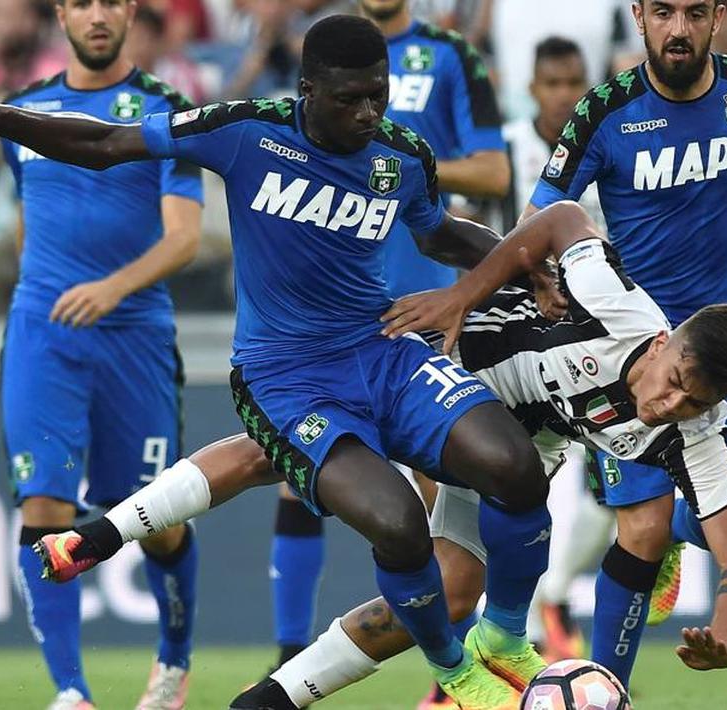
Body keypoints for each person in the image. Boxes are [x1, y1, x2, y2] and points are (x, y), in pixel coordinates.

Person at [0, 15, 554, 710]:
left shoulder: (399, 155)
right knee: (399, 524)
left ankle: (504, 635)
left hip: (380, 351)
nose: (370, 113)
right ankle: (456, 672)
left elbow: (438, 233)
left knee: (515, 468)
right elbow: (106, 142)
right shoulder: (245, 129)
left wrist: (522, 265)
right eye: (351, 99)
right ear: (307, 90)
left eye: (378, 95)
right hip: (285, 378)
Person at [21, 201, 727, 710]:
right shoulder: (621, 308)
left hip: (509, 456)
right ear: (664, 344)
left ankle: (274, 696)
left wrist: (726, 635)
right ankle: (100, 535)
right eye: (670, 385)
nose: (668, 406)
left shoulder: (693, 431)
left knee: (445, 595)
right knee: (273, 454)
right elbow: (565, 219)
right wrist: (468, 294)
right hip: (437, 374)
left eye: (690, 404)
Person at [519, 0, 727, 691]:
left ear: (717, 16)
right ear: (638, 16)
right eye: (663, 12)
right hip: (636, 362)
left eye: (694, 12)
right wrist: (542, 305)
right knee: (640, 528)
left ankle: (680, 531)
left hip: (725, 355)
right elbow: (539, 217)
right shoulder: (604, 110)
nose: (678, 29)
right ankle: (608, 691)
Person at [262, 5, 509, 702]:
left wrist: (392, 158)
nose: (366, 109)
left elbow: (493, 172)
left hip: (423, 306)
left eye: (377, 97)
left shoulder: (449, 56)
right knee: (296, 477)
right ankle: (286, 654)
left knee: (442, 502)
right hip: (333, 324)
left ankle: (457, 664)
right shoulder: (321, 50)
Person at [0, 1, 205, 708]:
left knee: (154, 519)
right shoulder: (22, 112)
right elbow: (29, 217)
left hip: (134, 336)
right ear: (61, 12)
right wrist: (46, 293)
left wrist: (111, 289)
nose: (97, 14)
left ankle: (172, 663)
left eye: (111, 0)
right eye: (81, 1)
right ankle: (71, 693)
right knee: (45, 503)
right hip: (44, 334)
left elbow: (183, 237)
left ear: (130, 10)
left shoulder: (165, 108)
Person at [500, 35, 613, 663]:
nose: (565, 95)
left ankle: (555, 595)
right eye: (553, 84)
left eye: (575, 83)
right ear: (534, 89)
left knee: (610, 479)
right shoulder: (508, 147)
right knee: (519, 480)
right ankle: (508, 630)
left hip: (594, 334)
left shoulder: (608, 141)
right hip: (516, 336)